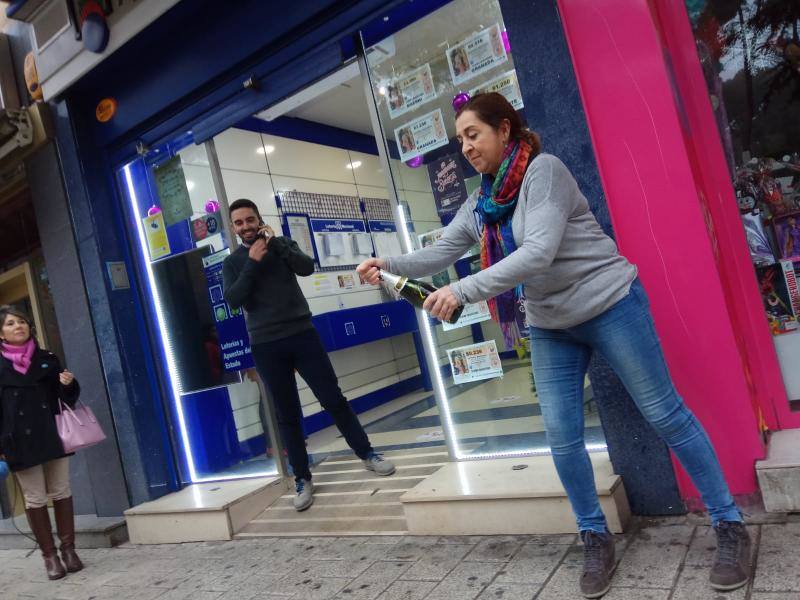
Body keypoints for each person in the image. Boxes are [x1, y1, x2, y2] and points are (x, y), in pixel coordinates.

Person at [357, 92, 750, 599]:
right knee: (562, 436)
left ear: (504, 129)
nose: (466, 148)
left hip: (609, 304)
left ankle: (728, 523)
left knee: (665, 414)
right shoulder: (483, 202)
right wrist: (386, 264)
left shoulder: (544, 172)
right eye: (460, 140)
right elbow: (442, 250)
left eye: (473, 135)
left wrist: (462, 290)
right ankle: (594, 535)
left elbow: (538, 252)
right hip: (550, 323)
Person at [222, 199, 395, 511]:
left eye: (250, 219)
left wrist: (277, 245)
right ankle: (302, 478)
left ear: (259, 219)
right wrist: (252, 262)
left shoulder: (282, 245)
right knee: (286, 414)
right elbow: (234, 299)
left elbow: (306, 267)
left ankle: (368, 454)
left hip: (302, 334)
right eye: (239, 222)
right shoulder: (233, 262)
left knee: (333, 399)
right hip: (266, 344)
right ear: (234, 228)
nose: (246, 226)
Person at [0, 305, 82, 580]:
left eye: (21, 321)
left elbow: (66, 398)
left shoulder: (47, 358)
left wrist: (68, 384)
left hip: (53, 433)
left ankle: (69, 550)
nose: (18, 326)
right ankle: (50, 557)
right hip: (18, 441)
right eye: (10, 323)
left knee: (61, 490)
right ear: (1, 333)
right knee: (35, 498)